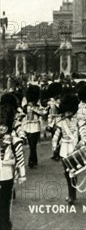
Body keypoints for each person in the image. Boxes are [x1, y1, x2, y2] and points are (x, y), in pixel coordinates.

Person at [52, 93, 86, 205]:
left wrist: (81, 143)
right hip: (64, 149)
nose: (67, 113)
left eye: (69, 111)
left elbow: (84, 135)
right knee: (67, 172)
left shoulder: (79, 121)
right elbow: (56, 136)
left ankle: (72, 194)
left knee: (73, 172)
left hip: (74, 148)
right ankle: (71, 193)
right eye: (66, 111)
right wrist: (54, 146)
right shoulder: (61, 122)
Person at [0, 93, 27, 230]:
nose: (1, 128)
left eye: (3, 125)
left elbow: (20, 157)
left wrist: (22, 174)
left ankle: (5, 224)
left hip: (6, 174)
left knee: (5, 203)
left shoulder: (13, 139)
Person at [22, 84, 47, 169]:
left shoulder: (37, 103)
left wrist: (35, 108)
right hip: (28, 126)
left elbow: (43, 112)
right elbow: (23, 111)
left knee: (33, 145)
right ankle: (32, 161)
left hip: (35, 126)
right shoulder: (26, 102)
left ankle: (32, 161)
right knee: (31, 145)